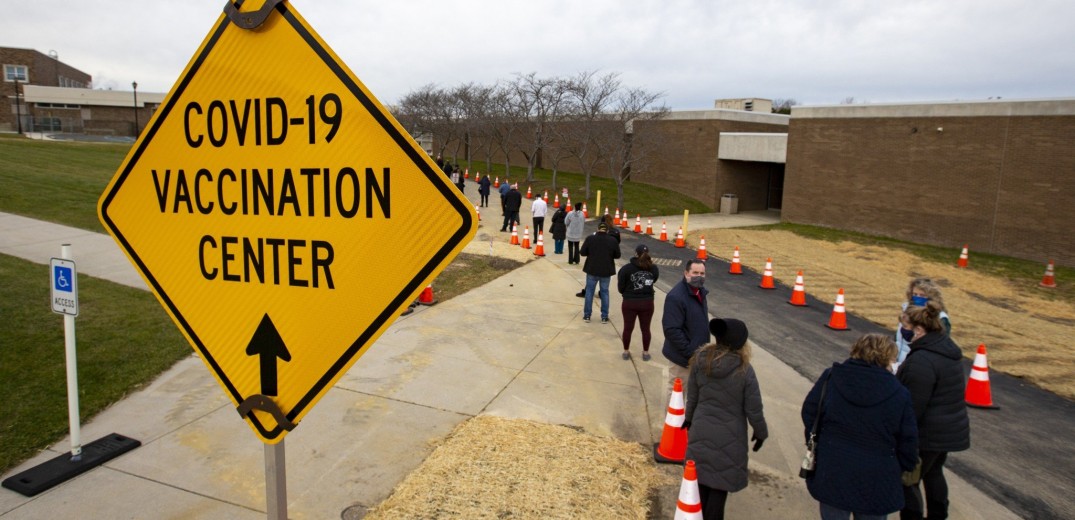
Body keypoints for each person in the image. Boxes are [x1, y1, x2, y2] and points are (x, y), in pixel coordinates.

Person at [802, 334, 919, 520]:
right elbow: (908, 439)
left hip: (833, 469)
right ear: (887, 358)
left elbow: (810, 412)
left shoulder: (832, 377)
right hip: (877, 478)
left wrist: (820, 444)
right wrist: (903, 465)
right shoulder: (899, 393)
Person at [682, 318, 767, 520]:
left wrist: (689, 419)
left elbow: (692, 395)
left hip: (701, 429)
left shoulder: (700, 361)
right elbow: (754, 408)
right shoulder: (744, 370)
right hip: (730, 438)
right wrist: (761, 432)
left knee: (698, 486)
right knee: (718, 491)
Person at [897, 301, 970, 520]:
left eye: (906, 327)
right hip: (948, 430)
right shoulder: (947, 352)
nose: (904, 332)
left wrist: (902, 433)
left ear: (919, 330)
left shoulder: (922, 360)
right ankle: (939, 514)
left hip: (926, 434)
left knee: (909, 479)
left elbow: (914, 405)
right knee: (934, 473)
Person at [662, 259, 710, 385]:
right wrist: (690, 353)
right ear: (686, 273)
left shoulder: (700, 292)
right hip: (683, 358)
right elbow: (671, 330)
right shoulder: (676, 297)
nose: (699, 277)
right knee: (676, 393)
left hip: (697, 355)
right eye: (695, 273)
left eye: (702, 274)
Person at [894, 278, 951, 367]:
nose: (917, 298)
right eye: (915, 294)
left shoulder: (940, 318)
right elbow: (897, 337)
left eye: (922, 295)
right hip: (897, 361)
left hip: (918, 364)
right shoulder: (906, 309)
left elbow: (939, 344)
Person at [617, 244, 659, 360]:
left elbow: (620, 287)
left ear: (635, 254)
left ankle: (626, 351)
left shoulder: (626, 269)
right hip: (647, 302)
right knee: (646, 328)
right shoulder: (653, 268)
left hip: (629, 302)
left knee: (628, 328)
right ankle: (645, 352)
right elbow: (653, 280)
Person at [579, 222, 620, 323]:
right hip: (606, 270)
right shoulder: (613, 240)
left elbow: (583, 252)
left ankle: (587, 315)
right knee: (605, 293)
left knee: (589, 292)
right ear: (607, 230)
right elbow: (617, 255)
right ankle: (604, 316)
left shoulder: (590, 239)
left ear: (597, 229)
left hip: (592, 269)